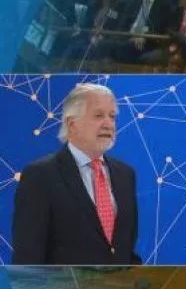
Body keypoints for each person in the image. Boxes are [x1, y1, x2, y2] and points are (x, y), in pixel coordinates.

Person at [12, 83, 141, 265]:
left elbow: (125, 251)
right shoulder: (41, 175)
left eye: (112, 116)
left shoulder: (125, 175)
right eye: (98, 116)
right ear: (72, 124)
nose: (108, 124)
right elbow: (28, 258)